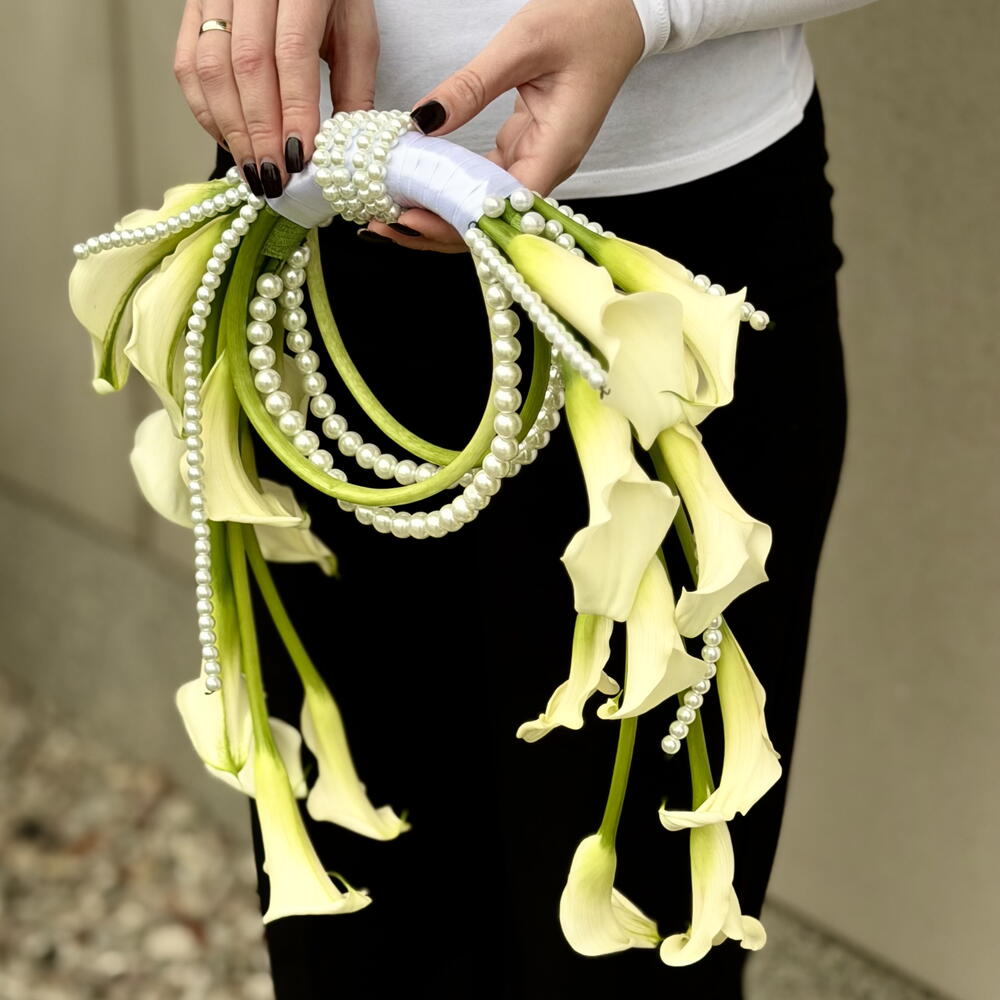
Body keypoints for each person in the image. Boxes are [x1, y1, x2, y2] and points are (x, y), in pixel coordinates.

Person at [178, 1, 869, 995]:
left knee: (629, 950)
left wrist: (652, 13)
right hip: (306, 234)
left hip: (663, 267)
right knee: (357, 947)